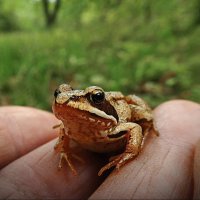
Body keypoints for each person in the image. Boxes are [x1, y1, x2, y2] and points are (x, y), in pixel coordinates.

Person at [0, 100, 199, 199]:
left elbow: (134, 126)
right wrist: (64, 149)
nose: (67, 101)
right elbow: (64, 128)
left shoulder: (114, 128)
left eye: (94, 97)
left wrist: (130, 152)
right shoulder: (67, 126)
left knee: (145, 118)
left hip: (121, 111)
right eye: (58, 95)